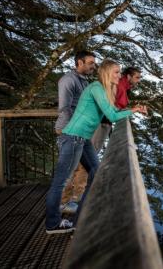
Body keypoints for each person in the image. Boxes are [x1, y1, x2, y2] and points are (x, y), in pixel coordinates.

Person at [45, 59, 147, 234]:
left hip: (82, 139)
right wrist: (135, 111)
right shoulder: (97, 88)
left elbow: (113, 112)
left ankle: (81, 218)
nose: (119, 75)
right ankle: (52, 224)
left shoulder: (104, 90)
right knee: (59, 183)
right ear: (107, 73)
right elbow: (113, 116)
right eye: (116, 72)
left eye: (120, 72)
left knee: (96, 173)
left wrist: (132, 109)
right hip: (73, 137)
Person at [55, 51, 96, 214]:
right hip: (69, 130)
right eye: (91, 62)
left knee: (88, 169)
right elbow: (65, 108)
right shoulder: (68, 80)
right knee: (69, 170)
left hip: (82, 132)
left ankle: (76, 202)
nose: (94, 66)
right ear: (80, 62)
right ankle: (63, 204)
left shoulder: (84, 81)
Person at [90, 66, 143, 151]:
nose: (138, 80)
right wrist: (133, 110)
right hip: (102, 122)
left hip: (104, 121)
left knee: (91, 151)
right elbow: (113, 107)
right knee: (92, 150)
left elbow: (117, 107)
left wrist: (134, 109)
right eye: (137, 77)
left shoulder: (124, 88)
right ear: (129, 76)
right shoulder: (119, 86)